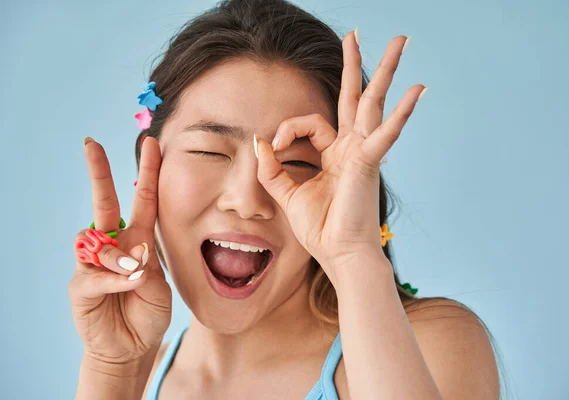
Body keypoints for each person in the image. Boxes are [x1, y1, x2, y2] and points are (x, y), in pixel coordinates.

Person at [69, 0, 501, 398]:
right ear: (151, 162)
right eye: (209, 152)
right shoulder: (132, 377)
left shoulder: (434, 342)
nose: (247, 198)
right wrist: (112, 368)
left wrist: (353, 256)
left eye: (296, 163)